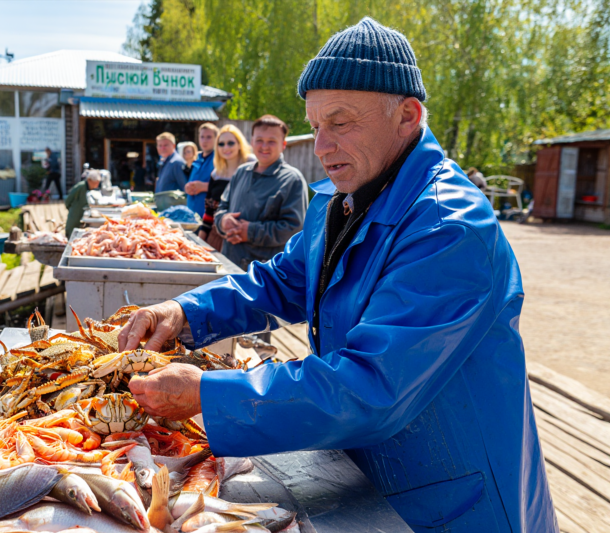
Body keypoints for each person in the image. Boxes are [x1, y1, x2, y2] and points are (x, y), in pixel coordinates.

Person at [119, 18, 556, 533]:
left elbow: (373, 386)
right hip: (361, 477)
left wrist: (210, 394)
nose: (321, 147)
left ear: (407, 116)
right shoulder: (339, 200)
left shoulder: (449, 227)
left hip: (455, 504)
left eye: (341, 123)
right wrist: (183, 311)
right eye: (315, 124)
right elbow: (279, 281)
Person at [214, 115, 308, 271]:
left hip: (264, 274)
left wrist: (249, 232)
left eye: (272, 141)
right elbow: (222, 207)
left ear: (283, 145)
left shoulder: (292, 180)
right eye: (259, 140)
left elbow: (293, 229)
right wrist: (224, 221)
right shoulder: (241, 172)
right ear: (251, 143)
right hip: (229, 262)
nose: (264, 146)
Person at [197, 125, 252, 248]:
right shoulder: (216, 174)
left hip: (245, 238)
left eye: (230, 143)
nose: (225, 147)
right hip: (216, 237)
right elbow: (209, 213)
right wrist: (198, 243)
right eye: (221, 144)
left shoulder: (252, 168)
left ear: (239, 144)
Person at [184, 123, 219, 218]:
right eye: (202, 137)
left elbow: (227, 187)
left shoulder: (219, 160)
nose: (204, 141)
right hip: (191, 217)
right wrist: (187, 187)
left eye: (209, 137)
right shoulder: (197, 160)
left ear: (216, 139)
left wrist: (204, 186)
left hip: (209, 219)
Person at [64, 170, 101, 238]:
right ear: (89, 180)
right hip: (74, 216)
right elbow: (68, 200)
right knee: (71, 236)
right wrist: (73, 210)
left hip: (79, 216)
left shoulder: (87, 189)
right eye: (95, 183)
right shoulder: (80, 186)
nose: (97, 185)